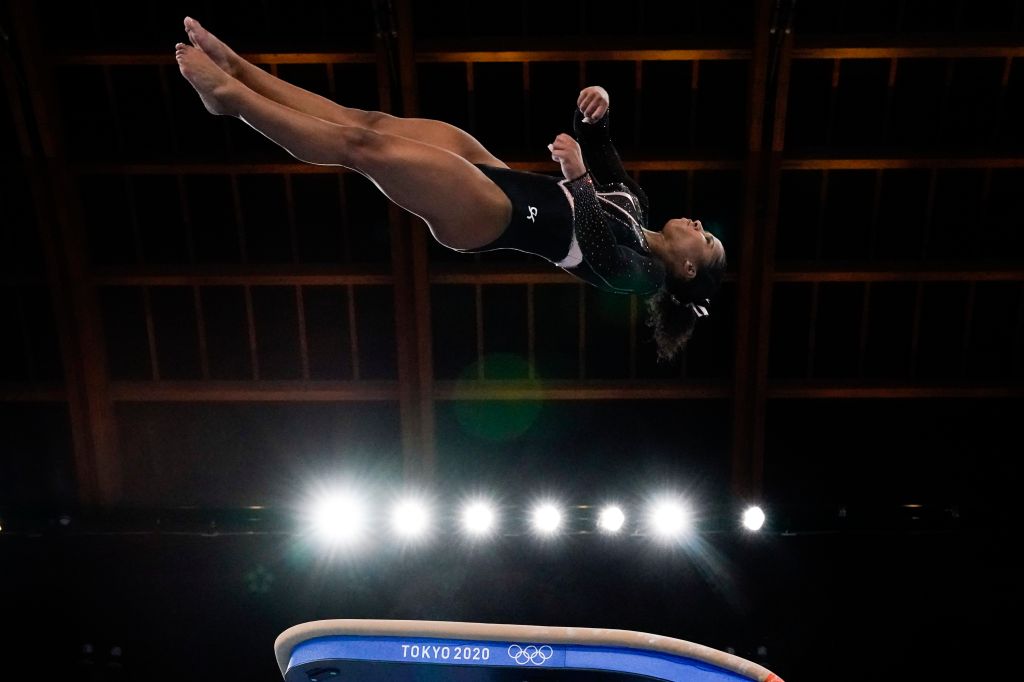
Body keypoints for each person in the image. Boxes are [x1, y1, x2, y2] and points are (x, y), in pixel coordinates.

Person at [175, 17, 726, 360]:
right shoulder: (636, 204)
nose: (699, 225)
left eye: (704, 241)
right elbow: (596, 141)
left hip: (494, 215)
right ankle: (239, 70)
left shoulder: (644, 276)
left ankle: (231, 100)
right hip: (498, 174)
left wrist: (578, 178)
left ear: (687, 269)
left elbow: (602, 254)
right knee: (367, 122)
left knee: (360, 148)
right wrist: (598, 104)